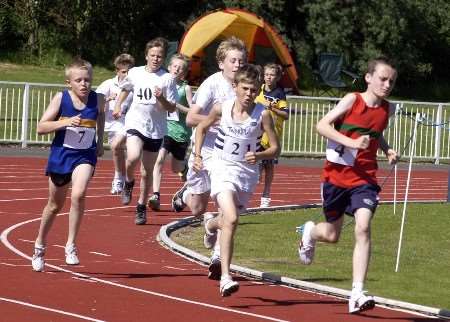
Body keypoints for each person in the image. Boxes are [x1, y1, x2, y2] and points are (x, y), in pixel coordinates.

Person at [297, 56, 399, 313]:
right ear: (368, 77)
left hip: (365, 179)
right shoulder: (352, 100)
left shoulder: (388, 109)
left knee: (363, 227)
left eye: (391, 81)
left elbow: (375, 133)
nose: (387, 85)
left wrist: (387, 150)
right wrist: (353, 143)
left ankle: (357, 293)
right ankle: (309, 232)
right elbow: (321, 125)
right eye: (383, 79)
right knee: (331, 235)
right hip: (336, 178)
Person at [194, 64, 280, 296]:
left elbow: (275, 148)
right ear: (235, 87)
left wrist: (259, 155)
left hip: (247, 173)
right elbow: (201, 128)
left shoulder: (262, 114)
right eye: (245, 88)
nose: (249, 94)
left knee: (225, 219)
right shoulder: (221, 108)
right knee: (231, 219)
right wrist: (197, 155)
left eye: (254, 90)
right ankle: (225, 276)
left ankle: (210, 224)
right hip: (222, 168)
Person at [170, 36, 247, 280]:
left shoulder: (247, 87)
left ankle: (217, 256)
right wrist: (214, 123)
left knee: (227, 204)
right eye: (233, 61)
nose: (237, 65)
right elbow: (192, 119)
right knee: (197, 208)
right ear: (221, 63)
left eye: (241, 61)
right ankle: (188, 197)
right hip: (206, 149)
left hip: (228, 156)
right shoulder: (211, 85)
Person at [31, 58, 105, 272]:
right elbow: (41, 127)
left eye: (88, 80)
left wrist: (99, 142)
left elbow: (100, 119)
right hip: (61, 156)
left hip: (85, 155)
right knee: (54, 206)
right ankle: (39, 246)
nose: (84, 84)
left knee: (79, 194)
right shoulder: (60, 99)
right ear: (68, 82)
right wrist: (65, 122)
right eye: (79, 80)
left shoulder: (98, 99)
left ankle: (71, 245)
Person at [113, 37, 177, 225]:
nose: (156, 59)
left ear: (163, 58)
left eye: (160, 56)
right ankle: (128, 182)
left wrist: (161, 98)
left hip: (156, 129)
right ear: (146, 55)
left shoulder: (167, 78)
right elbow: (126, 89)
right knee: (132, 157)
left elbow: (171, 108)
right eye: (153, 55)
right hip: (136, 122)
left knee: (147, 172)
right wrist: (118, 105)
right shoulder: (135, 72)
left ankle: (141, 207)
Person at [147, 53, 193, 211]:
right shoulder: (162, 82)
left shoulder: (185, 88)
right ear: (169, 67)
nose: (177, 70)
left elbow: (192, 111)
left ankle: (185, 169)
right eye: (175, 66)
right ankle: (155, 195)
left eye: (181, 68)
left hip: (180, 133)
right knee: (158, 160)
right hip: (165, 129)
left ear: (184, 73)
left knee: (176, 168)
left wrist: (175, 105)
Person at [96, 53, 135, 195]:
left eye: (129, 71)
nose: (126, 74)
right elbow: (95, 100)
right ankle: (122, 177)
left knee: (117, 147)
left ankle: (119, 178)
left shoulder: (135, 85)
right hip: (111, 124)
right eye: (123, 72)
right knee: (117, 151)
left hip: (129, 123)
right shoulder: (108, 84)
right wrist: (107, 98)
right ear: (117, 71)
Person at [255, 63, 289, 208]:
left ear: (277, 77)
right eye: (266, 74)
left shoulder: (279, 94)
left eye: (272, 75)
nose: (268, 77)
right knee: (255, 161)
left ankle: (266, 195)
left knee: (268, 165)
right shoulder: (258, 89)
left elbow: (286, 114)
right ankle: (254, 178)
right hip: (256, 132)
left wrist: (273, 108)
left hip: (272, 135)